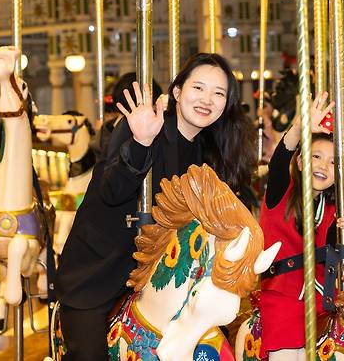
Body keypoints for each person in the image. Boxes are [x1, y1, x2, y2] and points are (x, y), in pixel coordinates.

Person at [55, 53, 256, 361]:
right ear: (177, 91)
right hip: (101, 271)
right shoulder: (145, 125)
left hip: (164, 280)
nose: (207, 99)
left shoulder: (209, 152)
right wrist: (141, 142)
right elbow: (111, 190)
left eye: (218, 93)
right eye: (198, 88)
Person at [259, 92, 344, 361]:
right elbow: (281, 157)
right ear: (301, 162)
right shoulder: (281, 192)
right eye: (317, 156)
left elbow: (342, 265)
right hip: (282, 295)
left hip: (323, 301)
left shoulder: (334, 210)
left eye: (334, 162)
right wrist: (300, 128)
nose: (324, 165)